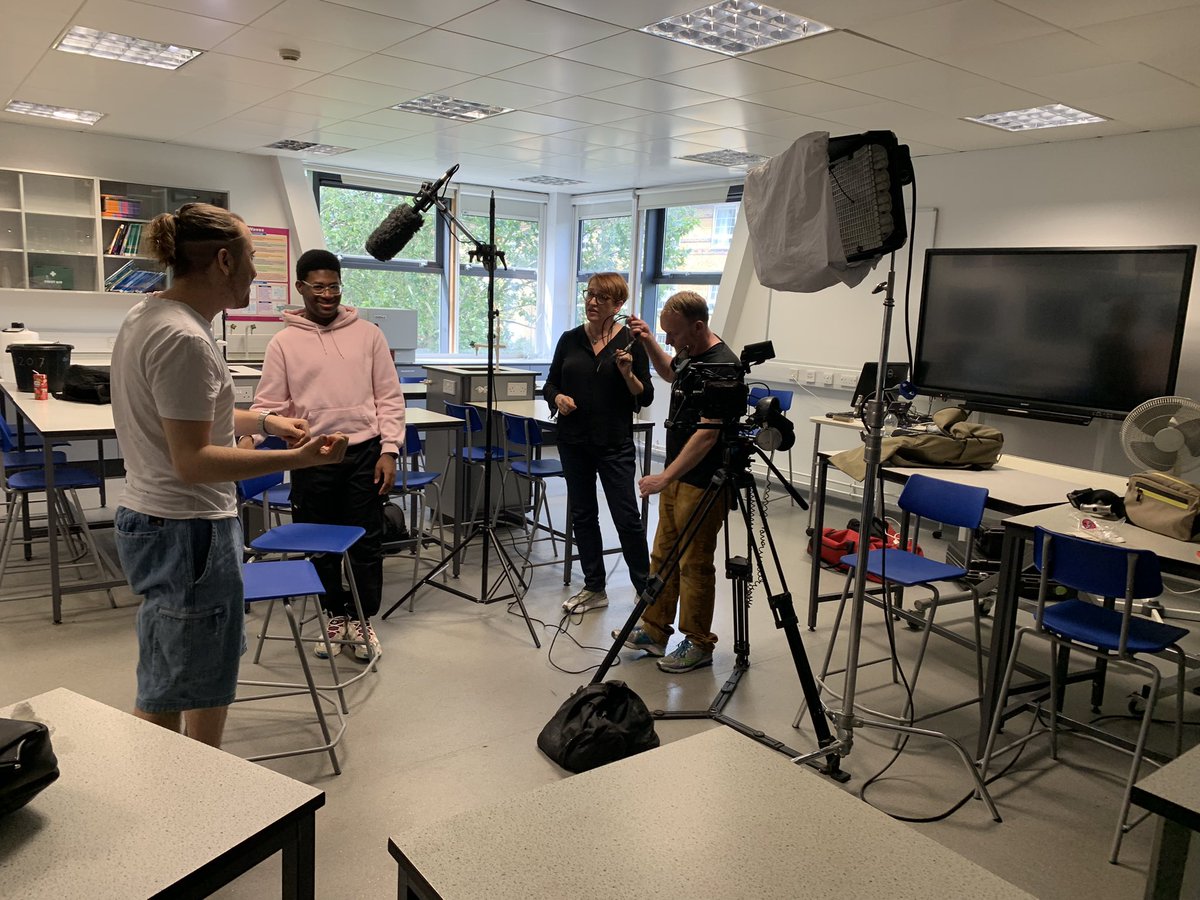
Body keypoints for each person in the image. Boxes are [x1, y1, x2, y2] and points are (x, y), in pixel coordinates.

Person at [111, 203, 348, 748]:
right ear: (222, 261)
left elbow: (193, 415)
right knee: (183, 683)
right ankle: (189, 799)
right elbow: (193, 460)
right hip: (187, 528)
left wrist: (266, 421)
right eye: (250, 259)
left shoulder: (150, 316)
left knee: (178, 672)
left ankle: (188, 789)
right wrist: (302, 458)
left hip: (160, 521)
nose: (256, 274)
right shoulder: (186, 340)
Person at [246, 249, 405, 662]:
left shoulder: (368, 334)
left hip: (364, 452)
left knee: (366, 540)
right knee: (318, 541)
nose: (328, 294)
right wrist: (254, 440)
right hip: (312, 456)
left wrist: (389, 450)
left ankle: (362, 619)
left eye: (334, 286)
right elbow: (269, 404)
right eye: (318, 287)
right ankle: (334, 615)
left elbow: (389, 397)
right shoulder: (283, 342)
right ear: (301, 288)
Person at [616, 291, 739, 673]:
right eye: (664, 334)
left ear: (698, 326)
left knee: (694, 562)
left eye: (673, 334)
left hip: (704, 480)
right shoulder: (691, 351)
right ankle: (655, 630)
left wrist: (664, 476)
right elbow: (672, 372)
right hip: (677, 475)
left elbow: (707, 434)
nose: (670, 341)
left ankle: (699, 642)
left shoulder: (723, 368)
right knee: (663, 555)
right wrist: (650, 340)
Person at [544, 273, 653, 615]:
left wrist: (627, 373)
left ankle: (644, 588)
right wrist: (558, 397)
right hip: (573, 441)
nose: (592, 302)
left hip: (613, 442)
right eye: (589, 295)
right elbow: (549, 385)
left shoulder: (631, 342)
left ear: (618, 305)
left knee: (626, 516)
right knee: (583, 514)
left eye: (601, 299)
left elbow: (644, 394)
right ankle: (594, 587)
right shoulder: (569, 339)